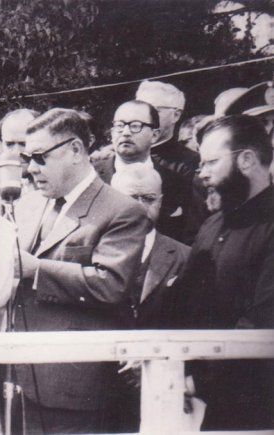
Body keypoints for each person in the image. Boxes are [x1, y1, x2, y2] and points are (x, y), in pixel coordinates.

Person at [0, 108, 149, 434]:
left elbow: (110, 284)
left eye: (39, 158)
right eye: (26, 159)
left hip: (73, 388)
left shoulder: (122, 211)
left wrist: (36, 270)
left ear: (75, 150)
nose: (31, 169)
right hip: (19, 377)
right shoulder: (35, 203)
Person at [175, 115, 274, 430]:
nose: (202, 174)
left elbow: (263, 317)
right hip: (207, 401)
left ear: (246, 160)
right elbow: (183, 302)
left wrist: (198, 380)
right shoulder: (212, 224)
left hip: (258, 401)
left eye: (211, 163)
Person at [107, 166, 190, 432]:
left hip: (162, 388)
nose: (141, 207)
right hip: (100, 390)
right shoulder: (90, 253)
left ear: (162, 201)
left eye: (149, 199)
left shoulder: (187, 257)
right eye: (132, 198)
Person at [136, 81, 204, 243]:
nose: (144, 116)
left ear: (176, 115)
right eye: (140, 108)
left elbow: (192, 228)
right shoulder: (110, 160)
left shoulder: (192, 163)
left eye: (155, 110)